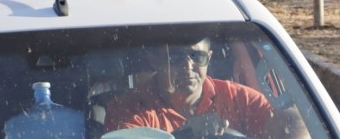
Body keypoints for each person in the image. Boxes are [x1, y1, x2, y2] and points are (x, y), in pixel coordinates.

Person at [103, 38, 308, 138]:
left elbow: (290, 129)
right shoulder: (128, 110)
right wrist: (188, 133)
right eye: (175, 57)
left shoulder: (243, 99)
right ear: (154, 59)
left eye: (196, 56)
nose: (187, 67)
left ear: (208, 59)